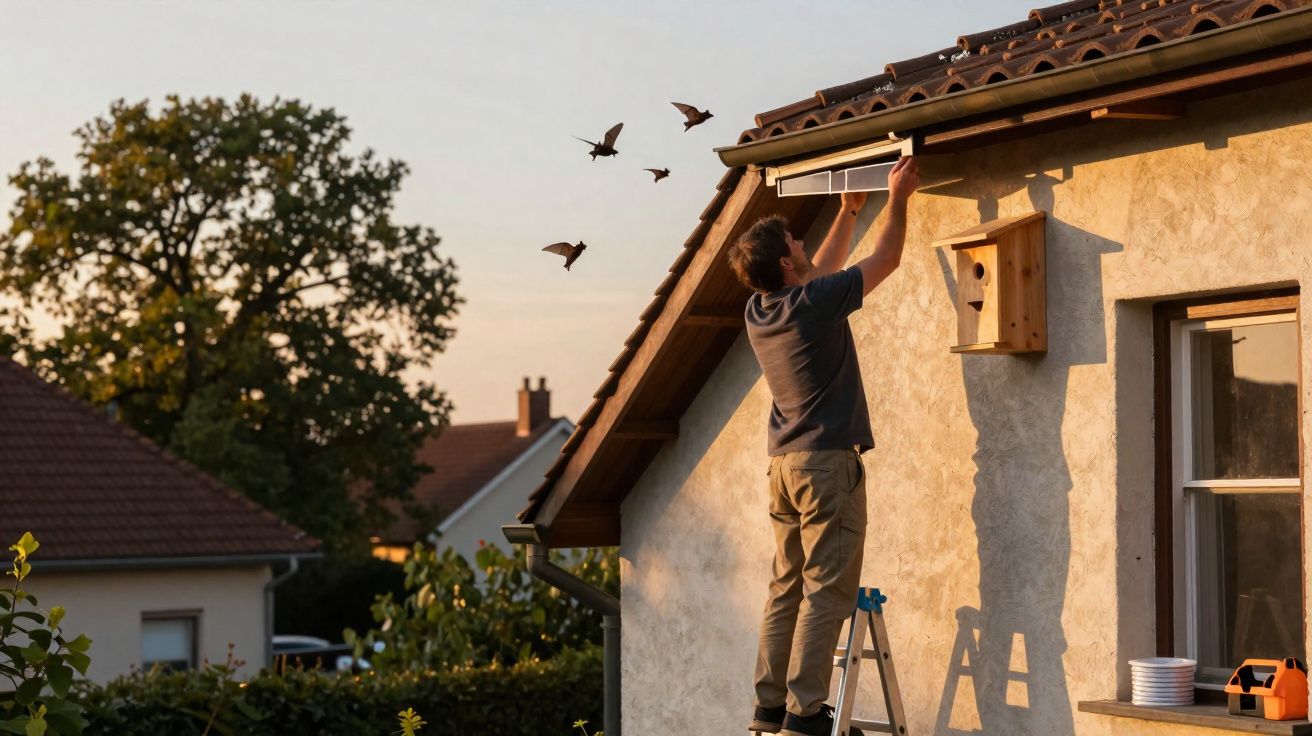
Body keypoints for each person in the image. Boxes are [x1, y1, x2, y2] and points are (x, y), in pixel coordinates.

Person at [729, 156, 920, 736]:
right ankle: (805, 713)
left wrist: (848, 213)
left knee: (786, 587)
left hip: (784, 467)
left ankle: (768, 707)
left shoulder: (760, 309)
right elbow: (885, 260)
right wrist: (898, 197)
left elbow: (818, 274)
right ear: (786, 262)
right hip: (826, 467)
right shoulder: (813, 304)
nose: (803, 243)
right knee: (827, 592)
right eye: (796, 242)